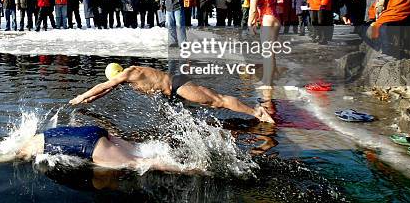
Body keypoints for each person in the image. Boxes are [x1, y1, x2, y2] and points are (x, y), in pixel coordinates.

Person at [70, 63, 274, 123]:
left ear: (116, 73)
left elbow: (103, 87)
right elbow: (104, 91)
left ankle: (257, 112)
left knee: (216, 101)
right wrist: (86, 102)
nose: (113, 83)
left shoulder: (130, 72)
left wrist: (81, 96)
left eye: (113, 79)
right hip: (172, 94)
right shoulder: (124, 80)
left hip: (177, 85)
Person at [2, 124, 190, 172]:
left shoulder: (23, 151)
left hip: (89, 145)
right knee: (138, 149)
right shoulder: (33, 137)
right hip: (91, 132)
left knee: (137, 163)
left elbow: (3, 158)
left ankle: (194, 169)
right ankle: (180, 151)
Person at [236, 0, 280, 88]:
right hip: (270, 18)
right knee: (269, 52)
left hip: (269, 19)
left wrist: (250, 23)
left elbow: (253, 8)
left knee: (268, 52)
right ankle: (270, 78)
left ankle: (268, 82)